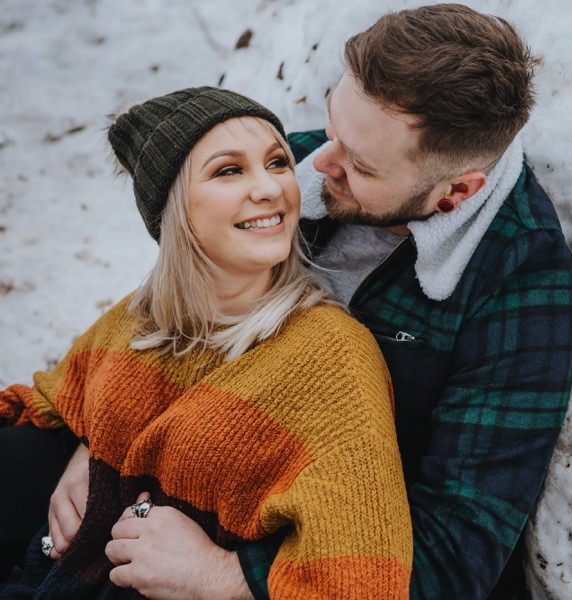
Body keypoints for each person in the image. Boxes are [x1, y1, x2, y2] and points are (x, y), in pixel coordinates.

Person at [0, 87, 412, 599]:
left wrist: (224, 576)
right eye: (229, 170)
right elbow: (61, 397)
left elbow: (360, 575)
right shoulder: (140, 317)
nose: (269, 189)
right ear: (174, 208)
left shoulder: (331, 356)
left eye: (278, 162)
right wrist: (89, 445)